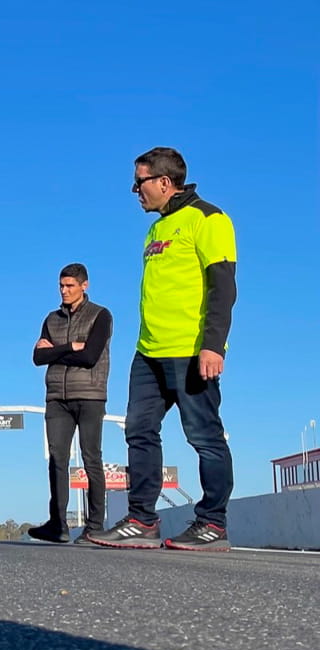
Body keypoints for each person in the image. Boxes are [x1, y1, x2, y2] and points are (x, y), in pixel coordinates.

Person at [88, 147, 236, 552]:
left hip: (190, 351)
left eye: (140, 183)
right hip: (148, 352)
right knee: (139, 431)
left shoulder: (209, 219)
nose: (136, 190)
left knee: (204, 436)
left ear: (164, 183)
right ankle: (142, 520)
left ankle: (213, 524)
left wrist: (213, 345)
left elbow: (223, 288)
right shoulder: (156, 229)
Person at [29, 263, 112, 544]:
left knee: (91, 458)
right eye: (61, 286)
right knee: (57, 459)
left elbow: (90, 357)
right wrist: (67, 348)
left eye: (70, 286)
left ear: (84, 286)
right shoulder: (51, 319)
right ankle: (58, 525)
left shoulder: (100, 315)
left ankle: (95, 526)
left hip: (89, 395)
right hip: (56, 399)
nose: (64, 291)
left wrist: (53, 352)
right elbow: (37, 358)